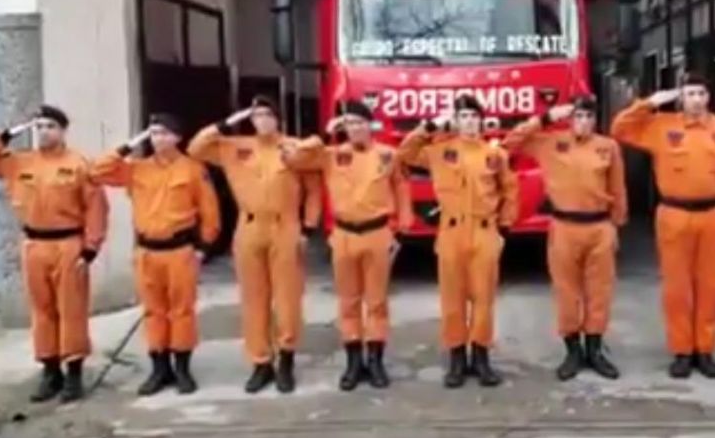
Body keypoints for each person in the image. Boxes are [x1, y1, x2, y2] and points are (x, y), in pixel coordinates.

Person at [610, 73, 715, 379]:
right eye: (690, 93)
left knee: (710, 286)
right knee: (677, 287)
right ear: (681, 97)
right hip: (673, 214)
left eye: (701, 92)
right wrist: (648, 104)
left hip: (713, 214)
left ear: (708, 97)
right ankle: (682, 351)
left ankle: (705, 350)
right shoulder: (662, 126)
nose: (696, 99)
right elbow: (619, 129)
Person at [0, 105, 108, 403]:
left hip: (68, 244)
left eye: (50, 126)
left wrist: (91, 248)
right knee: (42, 310)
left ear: (62, 131)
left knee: (71, 310)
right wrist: (8, 134)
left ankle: (73, 373)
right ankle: (50, 372)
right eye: (40, 126)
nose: (44, 131)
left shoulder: (79, 164)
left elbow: (96, 208)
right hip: (34, 244)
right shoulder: (19, 163)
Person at [187, 96, 321, 394]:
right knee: (254, 299)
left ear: (278, 119)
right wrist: (228, 122)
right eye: (256, 115)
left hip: (284, 227)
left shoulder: (294, 147)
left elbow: (314, 191)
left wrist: (308, 229)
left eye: (267, 114)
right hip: (249, 228)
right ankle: (261, 362)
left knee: (287, 299)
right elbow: (196, 148)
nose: (262, 120)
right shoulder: (236, 146)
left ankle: (286, 359)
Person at [281, 100, 413, 391]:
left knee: (376, 302)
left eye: (359, 123)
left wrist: (402, 230)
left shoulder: (388, 155)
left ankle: (376, 360)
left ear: (370, 125)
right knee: (348, 302)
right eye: (349, 124)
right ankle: (354, 362)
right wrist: (325, 135)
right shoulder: (330, 154)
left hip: (377, 233)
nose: (355, 129)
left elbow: (403, 191)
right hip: (343, 235)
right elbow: (293, 158)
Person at [91, 113, 220, 396]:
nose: (157, 138)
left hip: (180, 251)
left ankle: (183, 368)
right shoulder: (137, 168)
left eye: (163, 132)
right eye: (153, 133)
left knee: (182, 312)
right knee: (153, 312)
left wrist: (203, 247)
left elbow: (210, 212)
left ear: (177, 137)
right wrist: (127, 146)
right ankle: (160, 368)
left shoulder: (193, 169)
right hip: (147, 252)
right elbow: (97, 172)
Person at [397, 95, 519, 388]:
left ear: (481, 121)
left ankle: (480, 357)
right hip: (451, 232)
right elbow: (406, 153)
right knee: (452, 300)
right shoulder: (440, 150)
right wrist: (431, 125)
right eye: (463, 117)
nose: (469, 122)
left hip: (484, 232)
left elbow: (509, 190)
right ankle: (456, 359)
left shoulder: (495, 155)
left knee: (483, 300)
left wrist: (504, 228)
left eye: (473, 117)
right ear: (456, 121)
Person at [503, 95, 627, 381]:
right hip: (564, 226)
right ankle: (572, 350)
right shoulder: (551, 142)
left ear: (596, 120)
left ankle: (595, 349)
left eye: (588, 116)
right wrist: (545, 118)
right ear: (570, 119)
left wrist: (616, 226)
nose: (583, 122)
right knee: (567, 291)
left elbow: (618, 190)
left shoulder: (607, 147)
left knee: (599, 292)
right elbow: (511, 142)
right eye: (578, 116)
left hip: (599, 227)